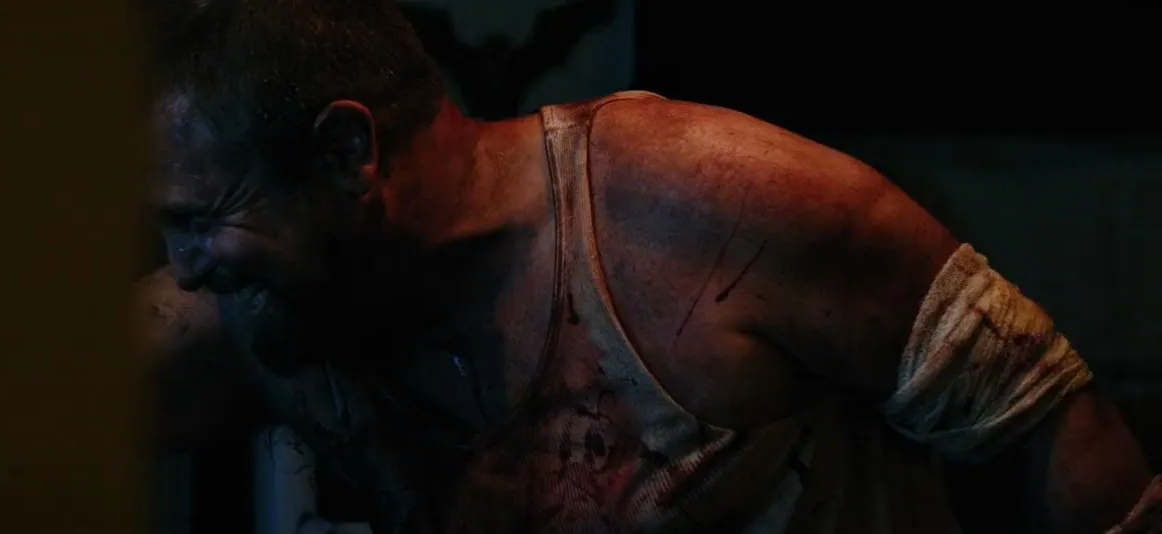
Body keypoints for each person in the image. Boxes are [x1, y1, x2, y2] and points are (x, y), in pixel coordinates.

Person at [136, 0, 1161, 532]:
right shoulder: (269, 302)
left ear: (346, 154)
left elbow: (1045, 417)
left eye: (203, 219)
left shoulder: (704, 201)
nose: (185, 269)